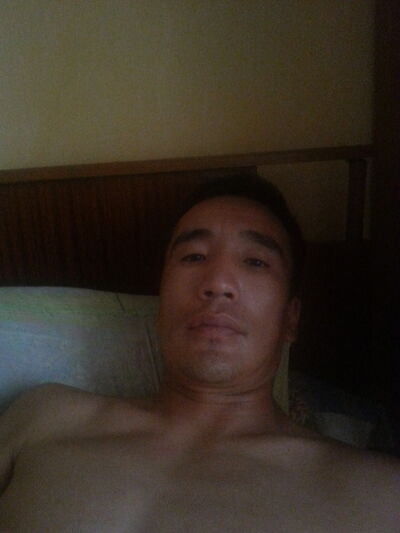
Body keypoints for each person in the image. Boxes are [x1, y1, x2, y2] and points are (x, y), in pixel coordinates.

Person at [0, 175, 398, 532]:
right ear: (160, 306)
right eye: (193, 257)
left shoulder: (380, 494)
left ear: (290, 319)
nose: (218, 282)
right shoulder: (43, 419)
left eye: (255, 261)